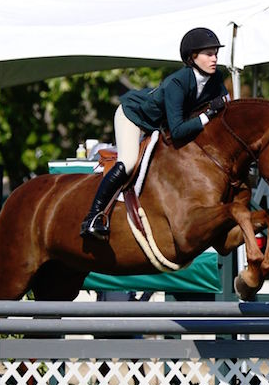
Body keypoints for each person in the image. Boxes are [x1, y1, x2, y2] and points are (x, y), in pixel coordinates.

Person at [80, 27, 229, 240]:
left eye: (216, 53)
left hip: (159, 125)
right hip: (134, 117)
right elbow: (177, 131)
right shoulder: (177, 82)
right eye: (209, 54)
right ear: (192, 57)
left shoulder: (215, 79)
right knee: (129, 162)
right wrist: (208, 115)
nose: (214, 58)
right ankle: (93, 216)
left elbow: (227, 106)